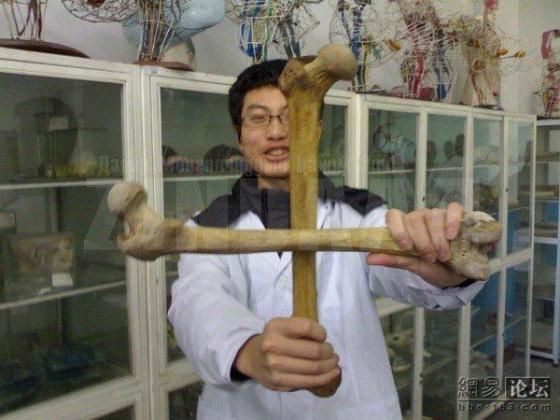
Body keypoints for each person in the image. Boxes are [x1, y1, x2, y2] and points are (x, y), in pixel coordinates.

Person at [168, 59, 486, 419]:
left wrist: (444, 265)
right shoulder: (208, 227)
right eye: (258, 118)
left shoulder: (360, 213)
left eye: (292, 116)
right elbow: (196, 302)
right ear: (239, 136)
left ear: (316, 130)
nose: (277, 132)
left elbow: (404, 269)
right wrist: (248, 351)